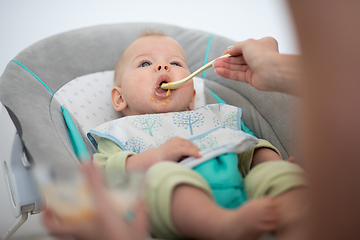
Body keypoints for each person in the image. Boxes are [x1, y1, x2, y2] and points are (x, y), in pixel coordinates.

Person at [85, 30, 307, 240]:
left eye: (175, 63)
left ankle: (298, 225)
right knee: (163, 176)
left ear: (192, 97)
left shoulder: (213, 116)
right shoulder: (120, 132)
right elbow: (106, 174)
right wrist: (157, 156)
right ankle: (222, 225)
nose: (163, 65)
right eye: (145, 63)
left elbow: (251, 147)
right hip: (174, 209)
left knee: (276, 173)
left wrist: (273, 163)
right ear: (119, 98)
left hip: (244, 191)